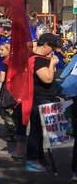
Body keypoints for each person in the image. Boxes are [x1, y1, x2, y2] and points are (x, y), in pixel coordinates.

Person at [25, 33, 62, 172]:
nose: (52, 50)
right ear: (45, 45)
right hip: (40, 98)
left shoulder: (40, 58)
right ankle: (33, 159)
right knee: (37, 131)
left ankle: (39, 158)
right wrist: (52, 64)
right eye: (51, 47)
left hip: (44, 98)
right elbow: (46, 78)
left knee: (41, 131)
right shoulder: (38, 60)